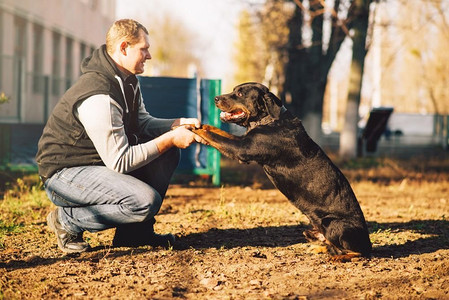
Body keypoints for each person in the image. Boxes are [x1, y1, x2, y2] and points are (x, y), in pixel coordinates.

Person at [36, 19, 204, 253]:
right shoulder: (99, 94)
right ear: (124, 48)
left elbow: (143, 122)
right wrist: (169, 139)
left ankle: (135, 235)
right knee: (144, 202)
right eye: (144, 49)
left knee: (167, 154)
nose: (149, 56)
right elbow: (120, 161)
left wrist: (176, 124)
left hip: (96, 165)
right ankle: (66, 220)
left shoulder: (128, 81)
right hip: (65, 175)